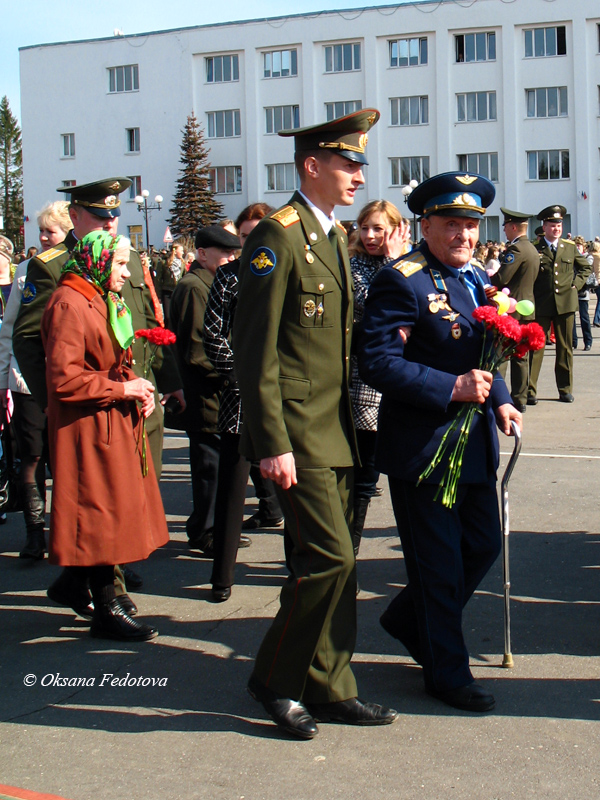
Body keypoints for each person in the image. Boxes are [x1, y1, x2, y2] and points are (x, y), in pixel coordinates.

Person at [233, 109, 397, 739]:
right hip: (297, 432)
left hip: (335, 428)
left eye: (359, 164)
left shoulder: (329, 234)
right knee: (325, 557)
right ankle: (273, 679)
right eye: (348, 163)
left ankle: (331, 685)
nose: (359, 174)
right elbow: (256, 351)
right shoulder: (277, 235)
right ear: (312, 165)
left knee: (341, 562)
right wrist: (271, 442)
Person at [359, 171, 522, 713]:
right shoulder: (401, 280)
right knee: (440, 566)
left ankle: (407, 620)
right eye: (451, 224)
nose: (464, 236)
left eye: (472, 225)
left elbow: (485, 351)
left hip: (472, 444)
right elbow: (378, 361)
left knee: (481, 545)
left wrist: (498, 394)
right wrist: (449, 387)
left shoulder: (477, 279)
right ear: (424, 225)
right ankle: (447, 672)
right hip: (423, 448)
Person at [13, 177, 183, 618]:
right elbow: (33, 341)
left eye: (114, 214)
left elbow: (144, 322)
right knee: (101, 504)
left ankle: (84, 580)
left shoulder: (122, 255)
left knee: (127, 502)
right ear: (76, 216)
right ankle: (109, 594)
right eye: (99, 215)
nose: (109, 222)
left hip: (131, 400)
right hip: (93, 408)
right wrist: (57, 404)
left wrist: (157, 383)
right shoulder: (57, 269)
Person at [41, 231, 169, 640]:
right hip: (85, 428)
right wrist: (121, 389)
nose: (124, 272)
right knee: (100, 514)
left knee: (108, 512)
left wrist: (138, 386)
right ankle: (107, 608)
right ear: (96, 261)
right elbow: (64, 378)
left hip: (108, 421)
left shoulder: (98, 297)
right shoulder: (69, 303)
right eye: (117, 264)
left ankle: (74, 584)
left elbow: (112, 361)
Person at [203, 203, 274, 602]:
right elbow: (212, 333)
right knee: (232, 489)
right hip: (241, 395)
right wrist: (242, 375)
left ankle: (298, 572)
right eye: (246, 237)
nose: (254, 242)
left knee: (296, 489)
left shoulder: (289, 269)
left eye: (261, 234)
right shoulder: (229, 276)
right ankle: (222, 577)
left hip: (286, 395)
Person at [0, 201, 73, 559]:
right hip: (27, 381)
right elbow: (10, 329)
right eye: (41, 231)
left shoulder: (76, 267)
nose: (44, 238)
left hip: (65, 379)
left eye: (51, 231)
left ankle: (66, 533)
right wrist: (3, 381)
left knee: (65, 459)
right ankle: (33, 533)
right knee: (31, 455)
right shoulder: (27, 269)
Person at [169, 224, 245, 557]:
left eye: (234, 253)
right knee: (208, 469)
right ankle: (204, 531)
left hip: (220, 390)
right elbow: (197, 348)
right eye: (226, 253)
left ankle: (215, 528)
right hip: (207, 392)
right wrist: (231, 376)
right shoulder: (193, 287)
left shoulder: (214, 282)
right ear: (202, 254)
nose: (231, 259)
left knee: (218, 467)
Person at [348, 200, 410, 557]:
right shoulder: (354, 265)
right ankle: (348, 557)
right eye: (365, 227)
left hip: (403, 381)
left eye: (379, 229)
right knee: (362, 479)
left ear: (395, 231)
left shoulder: (410, 263)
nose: (370, 236)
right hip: (364, 384)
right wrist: (392, 261)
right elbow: (375, 305)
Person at [528, 206, 590, 404]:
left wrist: (577, 284)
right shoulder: (534, 249)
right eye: (552, 225)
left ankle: (565, 390)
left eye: (559, 225)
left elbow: (586, 267)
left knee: (565, 348)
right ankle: (530, 391)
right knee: (536, 349)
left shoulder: (569, 247)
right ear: (544, 227)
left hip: (565, 304)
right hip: (541, 304)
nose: (556, 229)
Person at [491, 208, 540, 411]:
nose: (504, 231)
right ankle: (520, 398)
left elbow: (502, 278)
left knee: (501, 355)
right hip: (527, 308)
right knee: (521, 356)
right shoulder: (532, 249)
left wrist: (488, 277)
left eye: (505, 227)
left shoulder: (517, 250)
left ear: (513, 227)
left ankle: (498, 397)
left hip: (511, 309)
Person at [572, 236, 593, 351]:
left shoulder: (587, 257)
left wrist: (577, 256)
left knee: (584, 318)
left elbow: (586, 268)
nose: (577, 248)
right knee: (572, 319)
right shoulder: (571, 257)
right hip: (572, 291)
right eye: (575, 246)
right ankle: (573, 341)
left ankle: (588, 341)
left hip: (583, 292)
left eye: (579, 246)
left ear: (583, 246)